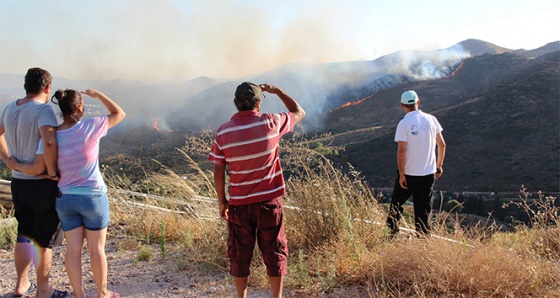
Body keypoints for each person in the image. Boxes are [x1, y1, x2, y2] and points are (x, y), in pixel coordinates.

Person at [8, 88, 125, 298]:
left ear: (60, 110)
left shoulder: (50, 136)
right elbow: (119, 113)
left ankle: (78, 294)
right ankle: (102, 292)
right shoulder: (91, 126)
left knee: (73, 250)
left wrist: (19, 165)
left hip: (65, 198)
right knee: (96, 249)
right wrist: (97, 94)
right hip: (93, 197)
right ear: (80, 109)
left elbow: (41, 164)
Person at [208, 82, 305, 298]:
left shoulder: (223, 131)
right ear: (259, 103)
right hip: (269, 202)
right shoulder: (272, 122)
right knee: (274, 252)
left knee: (240, 254)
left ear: (236, 103)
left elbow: (218, 170)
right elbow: (299, 112)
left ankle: (241, 296)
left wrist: (222, 201)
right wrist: (278, 91)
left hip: (239, 204)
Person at [0, 67, 68, 298]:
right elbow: (49, 141)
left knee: (24, 233)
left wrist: (9, 160)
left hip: (18, 182)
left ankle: (20, 286)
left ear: (25, 86)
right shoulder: (43, 110)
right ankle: (44, 291)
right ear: (47, 88)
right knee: (43, 240)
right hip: (41, 184)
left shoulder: (10, 108)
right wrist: (50, 172)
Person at [386, 90, 446, 235]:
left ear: (402, 105)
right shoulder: (431, 119)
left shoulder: (404, 123)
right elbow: (442, 145)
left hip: (409, 174)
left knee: (396, 206)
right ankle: (423, 241)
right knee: (424, 210)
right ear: (418, 102)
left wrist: (401, 175)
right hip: (428, 174)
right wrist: (438, 166)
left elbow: (401, 151)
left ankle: (391, 234)